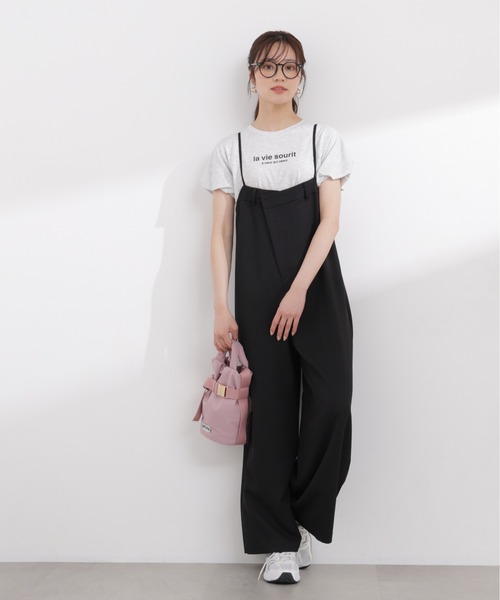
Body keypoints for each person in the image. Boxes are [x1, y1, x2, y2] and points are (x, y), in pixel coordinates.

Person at [200, 30, 354, 585]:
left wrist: (299, 290)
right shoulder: (232, 150)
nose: (279, 76)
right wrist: (221, 307)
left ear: (302, 76)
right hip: (258, 292)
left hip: (316, 285)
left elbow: (329, 223)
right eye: (268, 66)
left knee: (332, 403)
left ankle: (302, 519)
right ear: (252, 76)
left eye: (290, 67)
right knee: (269, 414)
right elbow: (221, 236)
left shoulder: (321, 139)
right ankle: (278, 544)